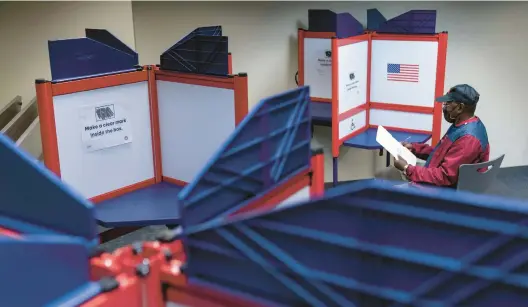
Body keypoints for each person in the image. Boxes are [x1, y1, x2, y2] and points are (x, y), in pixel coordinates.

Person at [375, 84, 489, 188]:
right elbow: (442, 153)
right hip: (443, 177)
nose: (445, 107)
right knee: (385, 174)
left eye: (448, 103)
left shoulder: (468, 139)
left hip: (444, 189)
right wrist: (414, 148)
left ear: (460, 107)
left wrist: (407, 168)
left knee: (384, 180)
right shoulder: (464, 124)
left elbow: (445, 176)